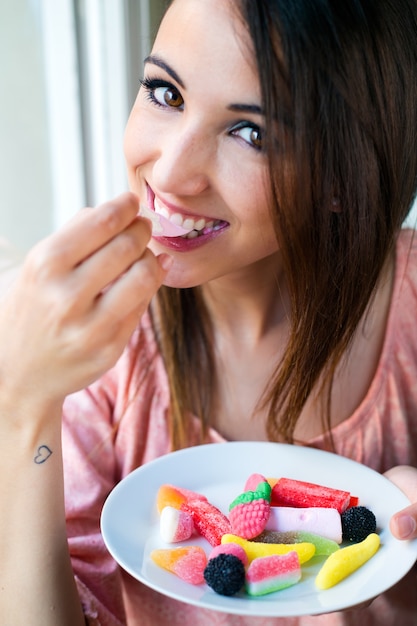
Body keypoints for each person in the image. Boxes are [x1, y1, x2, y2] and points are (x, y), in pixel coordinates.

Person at [0, 0, 416, 624]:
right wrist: (24, 404)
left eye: (251, 133)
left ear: (340, 176)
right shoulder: (92, 340)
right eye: (165, 92)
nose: (168, 173)